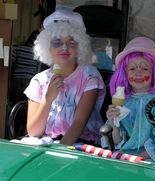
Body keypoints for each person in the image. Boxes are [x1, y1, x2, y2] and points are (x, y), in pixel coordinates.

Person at [23, 7, 106, 146]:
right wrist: (48, 99)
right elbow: (34, 132)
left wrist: (59, 151)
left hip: (81, 145)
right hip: (45, 143)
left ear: (80, 46)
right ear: (47, 47)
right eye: (57, 42)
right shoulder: (39, 81)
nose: (64, 48)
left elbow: (79, 123)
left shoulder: (89, 77)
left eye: (71, 42)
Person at [103, 37, 155, 162]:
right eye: (132, 69)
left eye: (145, 69)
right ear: (125, 73)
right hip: (123, 159)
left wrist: (134, 159)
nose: (138, 73)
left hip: (152, 161)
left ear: (154, 73)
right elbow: (116, 142)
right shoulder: (123, 101)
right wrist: (113, 123)